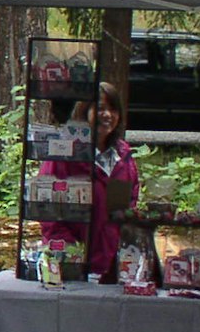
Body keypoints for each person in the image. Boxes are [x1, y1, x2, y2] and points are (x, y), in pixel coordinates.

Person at [40, 81, 141, 280]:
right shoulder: (64, 153)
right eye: (100, 108)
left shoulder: (123, 155)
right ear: (84, 111)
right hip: (73, 266)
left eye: (113, 109)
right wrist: (70, 252)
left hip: (113, 268)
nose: (108, 115)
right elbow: (47, 210)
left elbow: (129, 206)